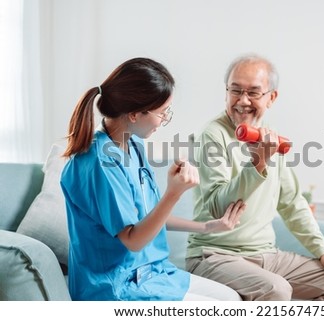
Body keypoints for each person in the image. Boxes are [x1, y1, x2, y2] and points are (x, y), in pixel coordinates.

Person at [60, 57, 245, 301]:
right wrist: (173, 193)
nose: (164, 120)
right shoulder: (98, 162)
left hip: (154, 273)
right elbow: (133, 240)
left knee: (231, 298)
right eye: (162, 113)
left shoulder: (133, 144)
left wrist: (208, 227)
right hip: (115, 286)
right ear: (135, 114)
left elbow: (148, 217)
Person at [186, 54, 324, 301]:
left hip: (267, 255)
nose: (242, 101)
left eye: (253, 93)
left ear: (272, 97)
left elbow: (292, 203)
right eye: (235, 90)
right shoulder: (213, 135)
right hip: (215, 255)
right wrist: (258, 163)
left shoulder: (270, 138)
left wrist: (323, 250)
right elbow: (219, 207)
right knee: (276, 289)